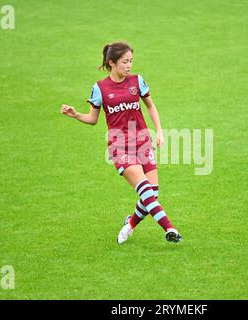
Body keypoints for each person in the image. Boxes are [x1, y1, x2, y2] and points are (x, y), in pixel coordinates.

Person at [61, 41, 182, 244]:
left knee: (153, 194)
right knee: (144, 190)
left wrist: (159, 132)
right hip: (120, 147)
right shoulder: (100, 88)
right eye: (125, 62)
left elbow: (151, 107)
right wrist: (75, 115)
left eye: (131, 61)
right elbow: (93, 119)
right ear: (112, 63)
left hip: (143, 142)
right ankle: (170, 229)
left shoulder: (138, 81)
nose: (129, 66)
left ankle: (130, 224)